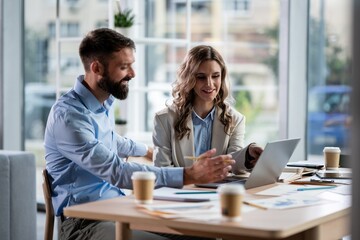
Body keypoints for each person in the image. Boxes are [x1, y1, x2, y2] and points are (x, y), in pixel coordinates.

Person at [44, 28, 234, 240]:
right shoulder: (69, 117)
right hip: (82, 222)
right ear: (97, 68)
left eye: (131, 65)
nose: (133, 73)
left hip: (117, 208)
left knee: (198, 232)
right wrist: (189, 174)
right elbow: (117, 172)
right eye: (124, 67)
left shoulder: (102, 103)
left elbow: (112, 141)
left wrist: (146, 150)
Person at [152, 45, 263, 174]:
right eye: (201, 77)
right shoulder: (164, 119)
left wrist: (248, 154)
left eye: (215, 76)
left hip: (219, 192)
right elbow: (162, 171)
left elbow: (232, 162)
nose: (209, 84)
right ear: (189, 78)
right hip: (182, 191)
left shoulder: (236, 119)